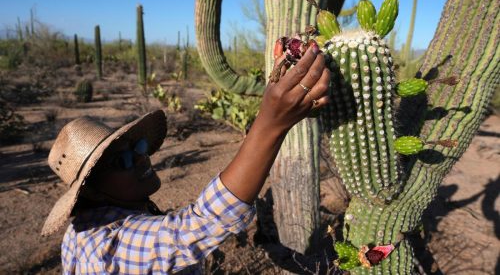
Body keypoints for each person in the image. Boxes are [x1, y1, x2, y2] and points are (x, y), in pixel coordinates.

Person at [41, 42, 330, 274]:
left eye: (138, 147)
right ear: (91, 189)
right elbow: (195, 227)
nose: (141, 159)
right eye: (122, 161)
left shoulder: (82, 229)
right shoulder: (108, 247)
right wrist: (271, 123)